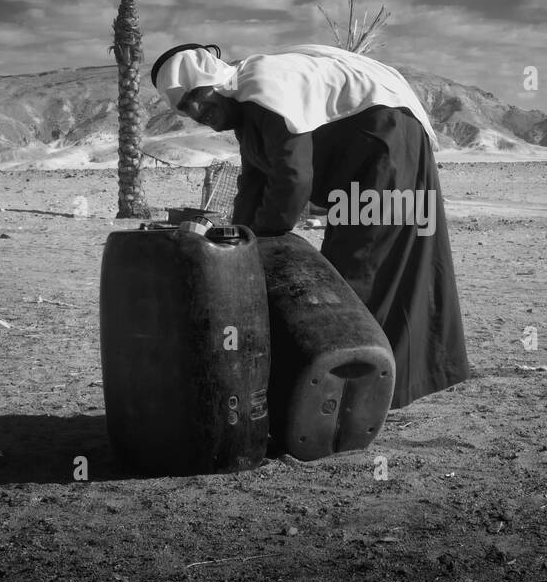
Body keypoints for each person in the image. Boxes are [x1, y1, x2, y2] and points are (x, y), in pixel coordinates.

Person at [150, 41, 470, 409]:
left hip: (386, 145)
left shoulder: (262, 88)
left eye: (196, 95)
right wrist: (240, 240)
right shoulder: (248, 112)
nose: (194, 111)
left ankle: (357, 395)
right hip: (367, 158)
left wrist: (267, 236)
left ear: (216, 81)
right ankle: (375, 388)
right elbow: (256, 180)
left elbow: (292, 177)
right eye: (183, 107)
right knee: (365, 263)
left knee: (359, 267)